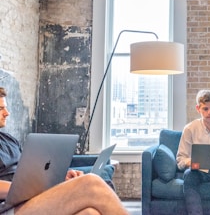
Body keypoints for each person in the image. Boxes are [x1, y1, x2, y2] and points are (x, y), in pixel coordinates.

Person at [0, 87, 129, 214]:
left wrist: (58, 178)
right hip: (7, 206)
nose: (7, 113)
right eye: (1, 109)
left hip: (27, 199)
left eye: (5, 108)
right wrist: (27, 189)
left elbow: (27, 172)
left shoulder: (8, 139)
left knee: (90, 212)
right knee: (91, 182)